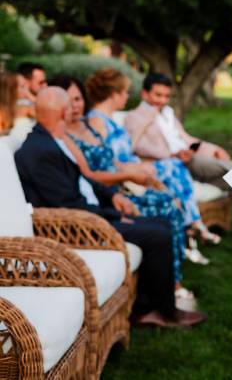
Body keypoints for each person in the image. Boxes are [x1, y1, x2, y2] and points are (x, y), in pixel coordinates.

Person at [14, 87, 206, 328]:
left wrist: (112, 196)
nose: (74, 109)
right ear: (63, 112)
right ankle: (165, 312)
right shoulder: (41, 151)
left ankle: (145, 308)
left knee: (161, 223)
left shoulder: (53, 140)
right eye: (69, 106)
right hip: (74, 228)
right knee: (157, 235)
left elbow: (85, 178)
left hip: (89, 214)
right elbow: (67, 205)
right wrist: (113, 215)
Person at [48, 74, 192, 299]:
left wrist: (138, 172)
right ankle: (171, 283)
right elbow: (89, 175)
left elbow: (112, 160)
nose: (74, 105)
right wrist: (129, 176)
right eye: (68, 100)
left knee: (169, 199)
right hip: (105, 195)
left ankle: (172, 275)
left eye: (78, 99)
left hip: (118, 188)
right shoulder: (64, 136)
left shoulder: (89, 125)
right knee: (167, 207)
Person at [84, 68, 218, 264]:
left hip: (136, 170)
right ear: (114, 94)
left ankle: (188, 235)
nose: (127, 96)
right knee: (173, 171)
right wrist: (134, 170)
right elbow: (104, 161)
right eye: (125, 92)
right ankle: (191, 228)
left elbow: (127, 149)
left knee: (174, 177)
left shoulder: (108, 118)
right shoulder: (97, 120)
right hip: (125, 180)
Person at [125, 73, 232, 249]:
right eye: (158, 95)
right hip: (173, 164)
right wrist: (172, 154)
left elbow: (187, 138)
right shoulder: (134, 117)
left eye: (166, 96)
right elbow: (139, 146)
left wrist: (213, 148)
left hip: (190, 158)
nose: (163, 100)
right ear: (145, 94)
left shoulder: (168, 114)